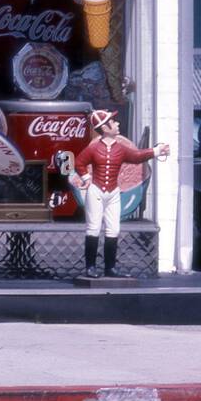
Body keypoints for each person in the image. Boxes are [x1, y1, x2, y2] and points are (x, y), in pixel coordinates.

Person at [71, 109, 170, 277]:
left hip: (113, 193)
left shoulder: (121, 149)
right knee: (93, 228)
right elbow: (79, 162)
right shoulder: (94, 148)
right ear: (105, 127)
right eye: (113, 121)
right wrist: (87, 178)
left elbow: (137, 156)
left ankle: (110, 268)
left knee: (113, 229)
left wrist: (155, 151)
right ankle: (90, 267)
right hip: (95, 191)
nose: (117, 124)